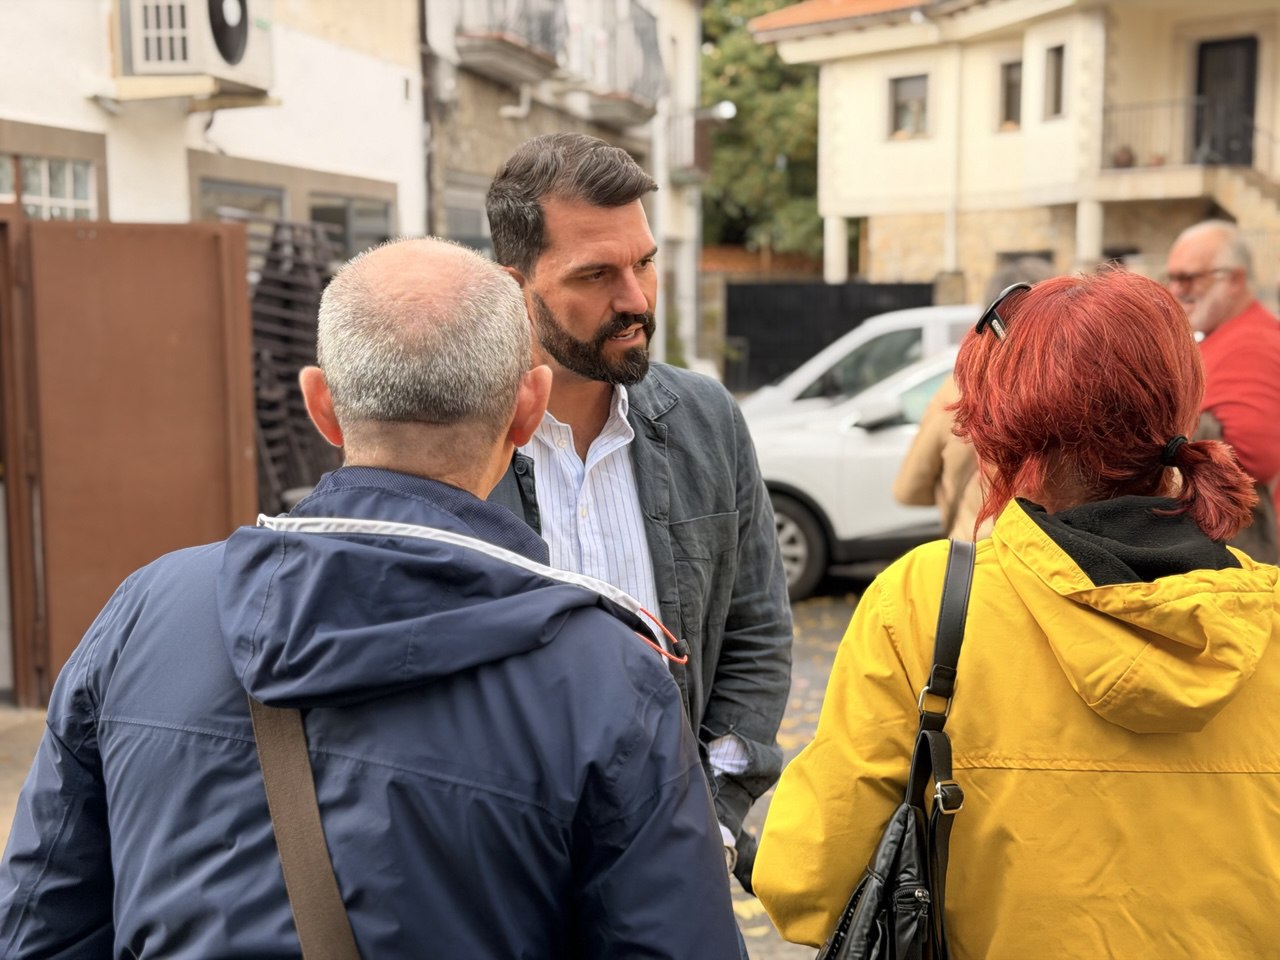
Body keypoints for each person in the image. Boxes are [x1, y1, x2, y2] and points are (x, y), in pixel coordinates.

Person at [0, 238, 741, 958]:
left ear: (320, 405)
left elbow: (38, 925)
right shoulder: (609, 677)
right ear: (528, 408)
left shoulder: (146, 613)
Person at [754, 269, 1280, 957]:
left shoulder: (925, 601)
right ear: (1181, 403)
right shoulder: (1266, 620)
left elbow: (806, 883)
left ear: (1002, 425)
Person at [485, 132, 793, 888]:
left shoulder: (707, 419)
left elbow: (756, 632)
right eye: (596, 274)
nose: (636, 299)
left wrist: (714, 810)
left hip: (676, 865)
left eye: (644, 263)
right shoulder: (461, 438)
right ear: (515, 287)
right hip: (507, 878)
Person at [893, 256, 1056, 540]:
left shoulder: (956, 390)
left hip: (973, 554)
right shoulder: (1070, 390)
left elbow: (908, 490)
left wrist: (962, 494)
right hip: (1047, 557)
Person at [1166, 218, 1280, 562]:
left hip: (1245, 549)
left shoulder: (1252, 345)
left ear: (1234, 279)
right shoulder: (1232, 335)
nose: (1176, 290)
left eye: (1189, 278)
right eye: (1172, 278)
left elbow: (1252, 457)